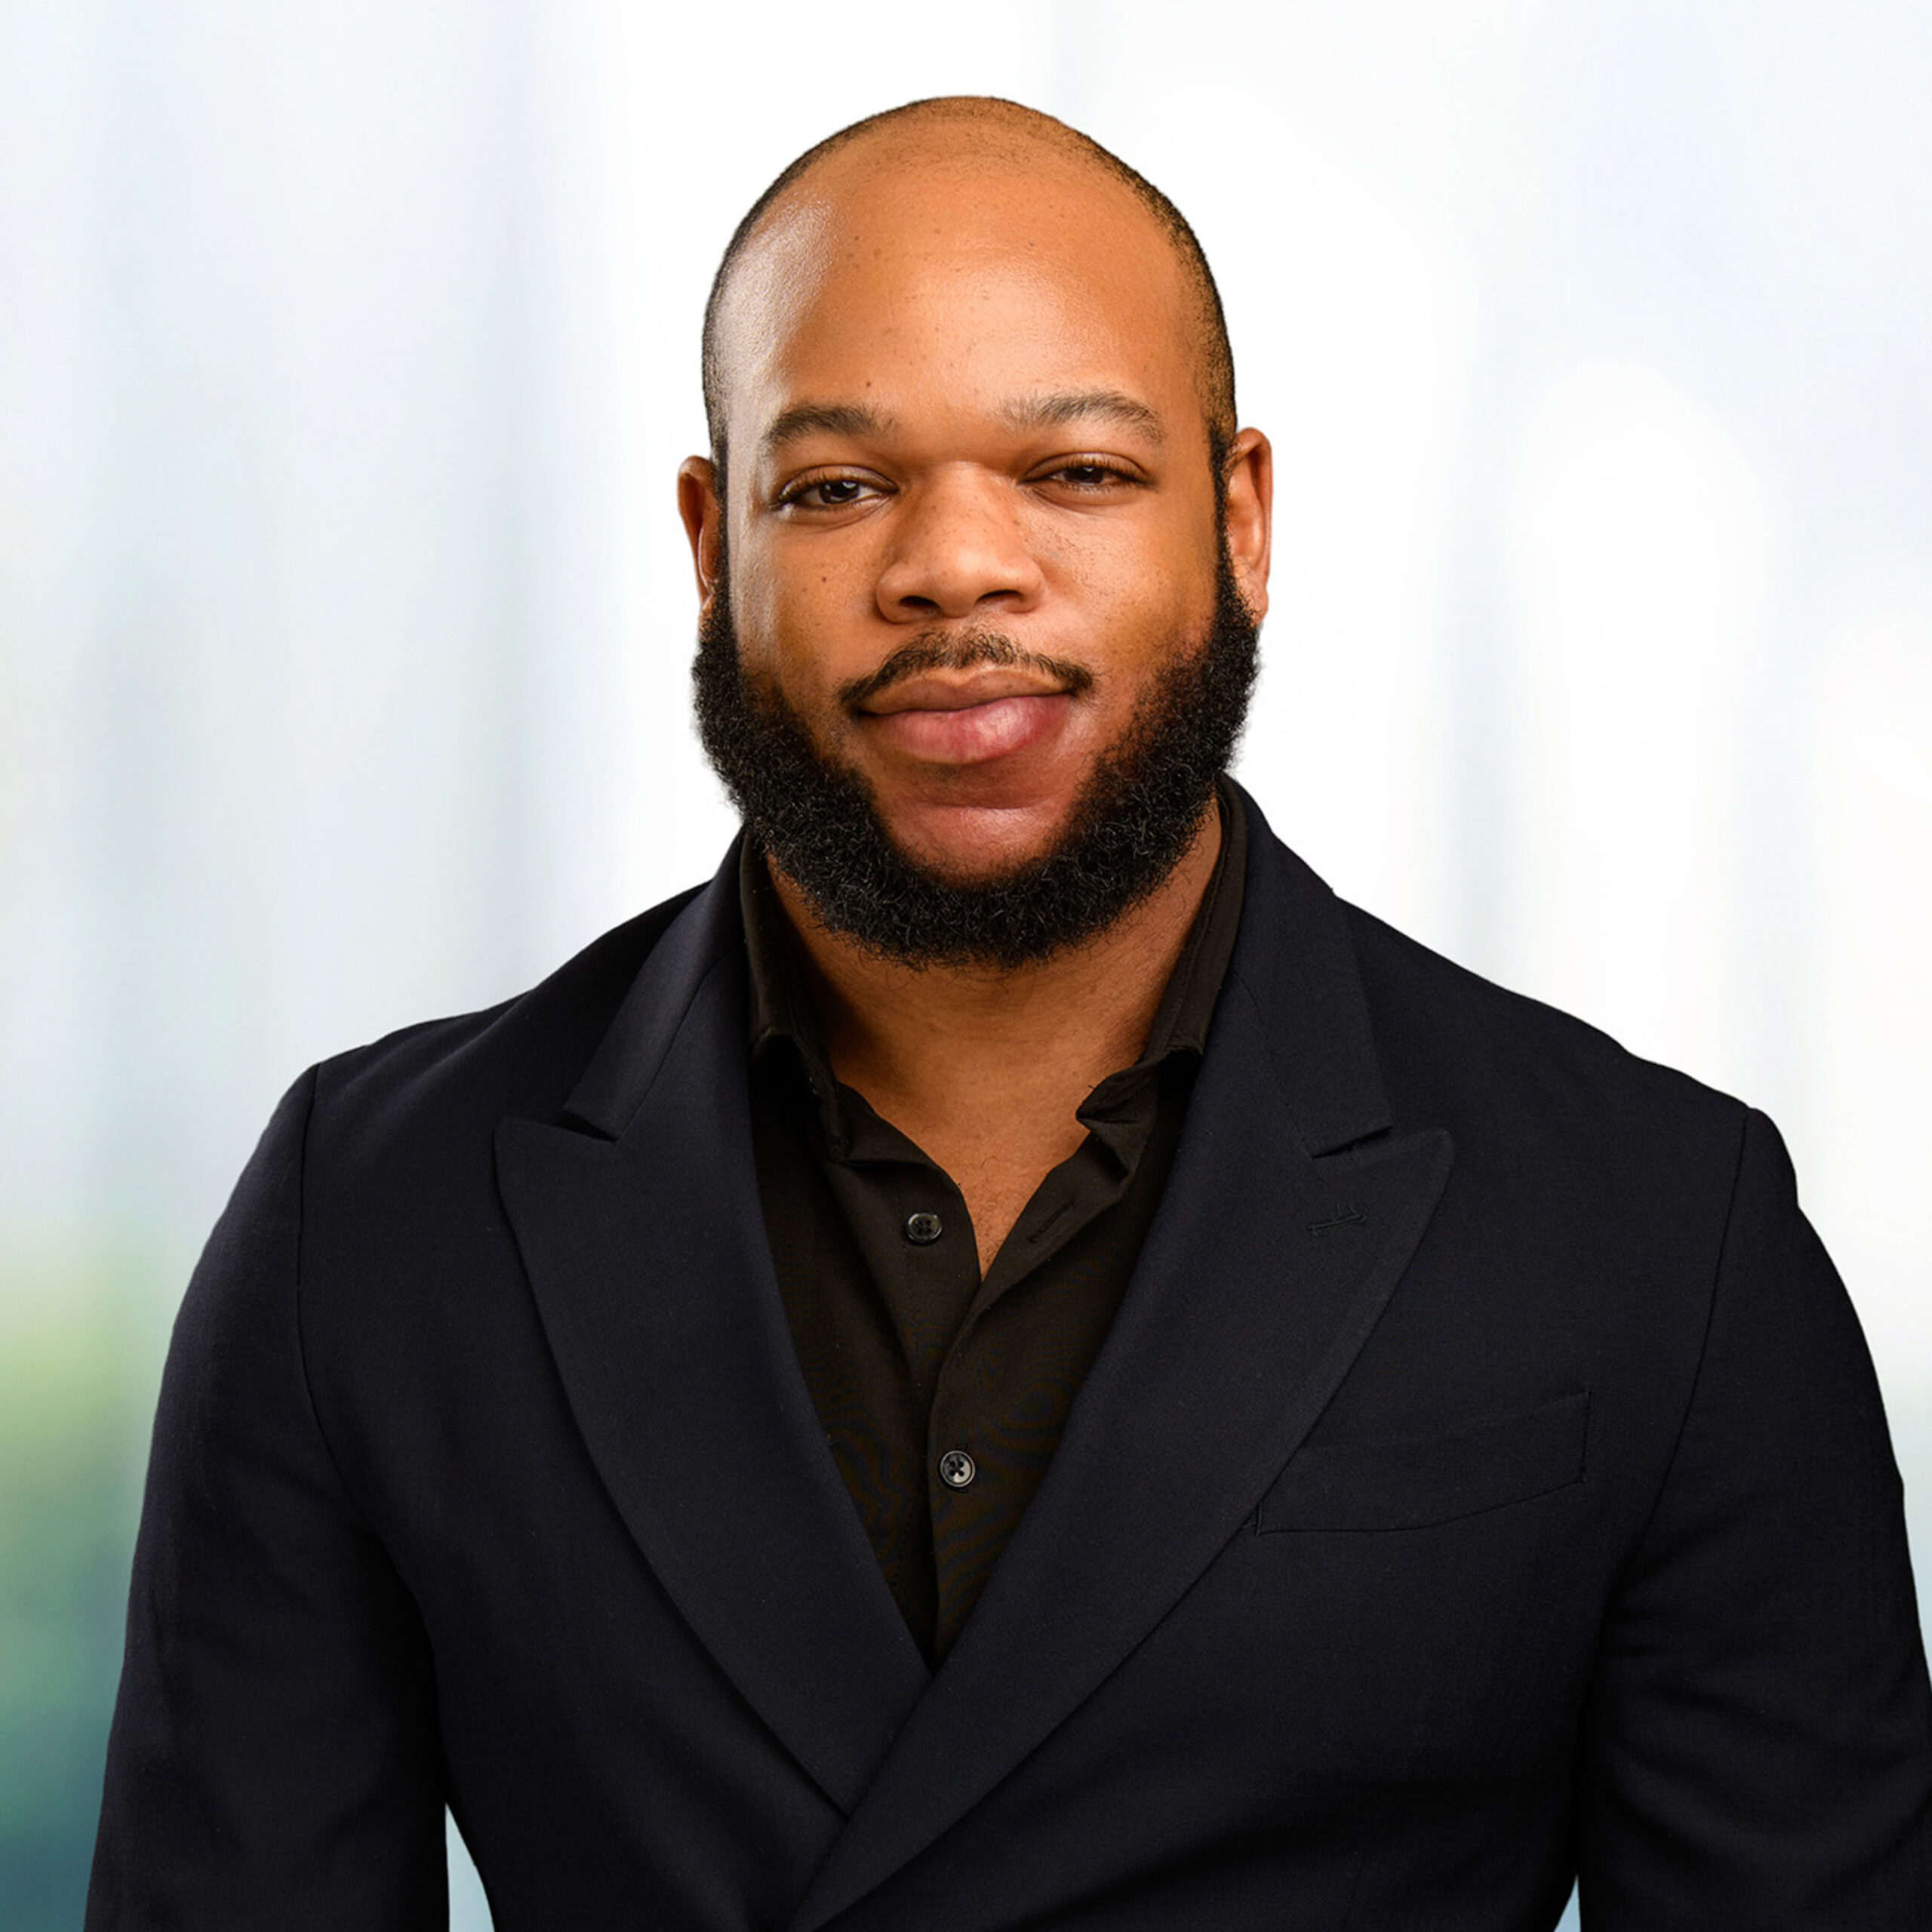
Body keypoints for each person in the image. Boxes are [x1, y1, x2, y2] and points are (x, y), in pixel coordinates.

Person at [88, 96, 1930, 1930]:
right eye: (836, 486)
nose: (955, 566)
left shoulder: (1655, 1227)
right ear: (707, 542)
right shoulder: (377, 1216)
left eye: (1072, 474)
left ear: (1241, 517)